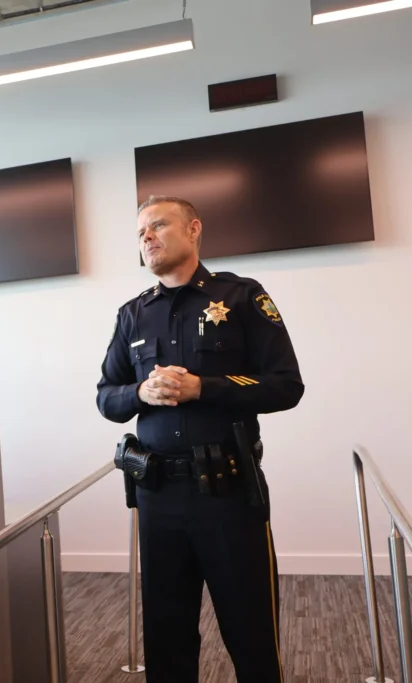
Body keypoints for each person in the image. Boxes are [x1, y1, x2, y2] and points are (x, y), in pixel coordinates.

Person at [96, 195, 304, 683]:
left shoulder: (241, 297)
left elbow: (286, 384)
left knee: (251, 630)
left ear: (193, 229)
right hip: (158, 494)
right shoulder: (133, 315)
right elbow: (106, 397)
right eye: (140, 232)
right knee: (166, 637)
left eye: (158, 225)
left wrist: (203, 387)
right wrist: (141, 391)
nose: (146, 236)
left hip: (228, 492)